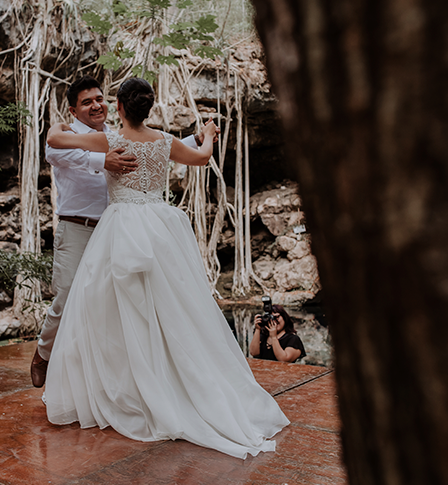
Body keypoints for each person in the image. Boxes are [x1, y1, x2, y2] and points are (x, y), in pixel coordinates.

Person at [43, 77, 289, 459]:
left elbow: (56, 141)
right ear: (147, 108)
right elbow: (203, 156)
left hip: (122, 226)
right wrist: (206, 133)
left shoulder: (110, 141)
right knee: (172, 307)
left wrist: (59, 123)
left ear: (120, 109)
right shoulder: (163, 141)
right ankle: (170, 381)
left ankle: (129, 385)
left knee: (112, 308)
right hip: (160, 226)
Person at [31, 75, 208, 388]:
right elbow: (55, 150)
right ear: (73, 111)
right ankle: (44, 353)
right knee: (68, 295)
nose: (95, 105)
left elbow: (156, 148)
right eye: (87, 102)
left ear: (113, 104)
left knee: (115, 304)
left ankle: (106, 377)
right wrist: (104, 160)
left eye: (99, 98)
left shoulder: (117, 135)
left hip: (120, 233)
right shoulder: (76, 137)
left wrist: (196, 139)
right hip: (78, 227)